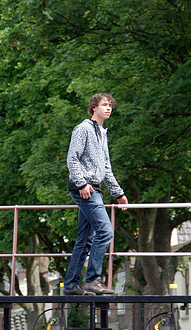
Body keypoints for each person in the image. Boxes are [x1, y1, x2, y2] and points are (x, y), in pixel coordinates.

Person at [64, 93, 128, 296]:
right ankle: (92, 279)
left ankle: (71, 285)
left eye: (110, 105)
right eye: (104, 105)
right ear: (94, 108)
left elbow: (106, 168)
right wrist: (81, 184)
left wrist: (119, 193)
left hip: (95, 188)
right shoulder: (83, 129)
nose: (108, 108)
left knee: (85, 239)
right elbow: (72, 158)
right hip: (85, 189)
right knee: (105, 231)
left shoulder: (102, 132)